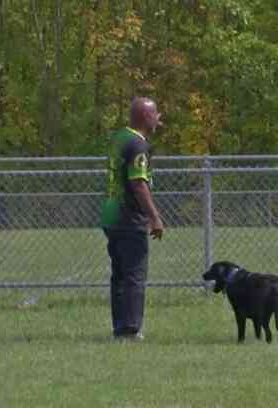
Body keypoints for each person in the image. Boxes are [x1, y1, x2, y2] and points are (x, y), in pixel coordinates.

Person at [100, 97, 164, 342]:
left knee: (119, 275)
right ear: (146, 117)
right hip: (128, 218)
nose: (159, 118)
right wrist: (155, 217)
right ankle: (130, 330)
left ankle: (120, 327)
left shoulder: (119, 138)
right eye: (156, 114)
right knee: (134, 275)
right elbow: (138, 184)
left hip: (111, 214)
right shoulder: (138, 145)